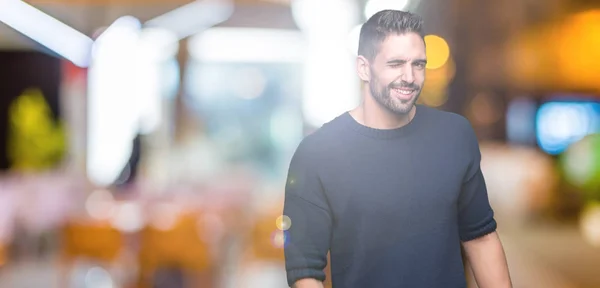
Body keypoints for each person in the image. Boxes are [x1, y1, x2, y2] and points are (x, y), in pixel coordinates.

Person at [283, 10, 512, 288]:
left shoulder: (455, 136)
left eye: (418, 64)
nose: (409, 77)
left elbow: (481, 238)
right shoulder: (318, 153)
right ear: (363, 68)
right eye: (395, 63)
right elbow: (305, 270)